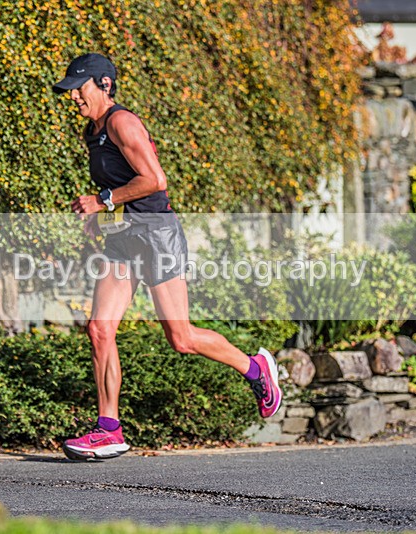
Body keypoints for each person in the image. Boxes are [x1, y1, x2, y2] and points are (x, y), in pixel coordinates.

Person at [53, 53, 282, 461]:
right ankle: (109, 429)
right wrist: (102, 213)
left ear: (104, 85)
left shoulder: (123, 122)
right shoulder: (94, 130)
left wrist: (103, 199)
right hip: (123, 239)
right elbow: (121, 185)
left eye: (79, 87)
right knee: (99, 329)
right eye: (71, 89)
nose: (74, 96)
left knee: (181, 338)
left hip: (157, 236)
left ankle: (255, 368)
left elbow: (154, 180)